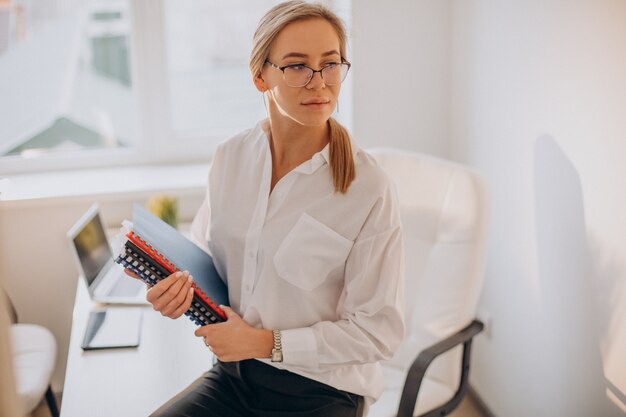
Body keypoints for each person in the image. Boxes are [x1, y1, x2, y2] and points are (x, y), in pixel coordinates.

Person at [128, 2, 405, 416]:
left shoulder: (368, 188)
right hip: (235, 376)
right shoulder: (231, 157)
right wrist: (174, 290)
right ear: (260, 76)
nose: (319, 82)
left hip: (323, 389)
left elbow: (378, 332)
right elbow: (209, 265)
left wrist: (265, 342)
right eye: (297, 66)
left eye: (330, 64)